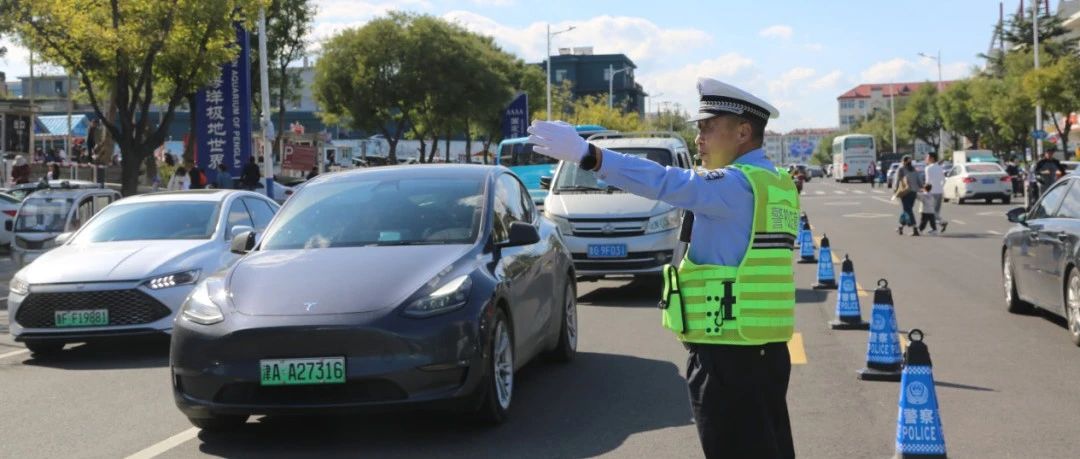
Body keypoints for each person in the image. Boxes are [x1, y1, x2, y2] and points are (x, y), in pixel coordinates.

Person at [527, 77, 798, 459]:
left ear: (742, 132)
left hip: (728, 356)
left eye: (708, 127)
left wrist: (591, 155)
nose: (699, 139)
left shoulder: (733, 186)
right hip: (764, 351)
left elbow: (664, 181)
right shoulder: (777, 183)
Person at [894, 155, 922, 236]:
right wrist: (921, 187)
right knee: (907, 210)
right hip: (914, 192)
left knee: (908, 210)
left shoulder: (901, 169)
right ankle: (900, 227)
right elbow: (919, 180)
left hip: (905, 192)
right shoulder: (914, 169)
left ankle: (915, 228)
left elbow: (897, 180)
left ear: (903, 161)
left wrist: (895, 191)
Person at [922, 153, 948, 233]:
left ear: (932, 158)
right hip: (940, 192)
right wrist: (940, 187)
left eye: (927, 157)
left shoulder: (928, 168)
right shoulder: (940, 167)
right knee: (936, 211)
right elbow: (944, 180)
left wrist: (925, 191)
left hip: (931, 192)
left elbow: (927, 181)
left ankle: (941, 222)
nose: (926, 159)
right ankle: (936, 227)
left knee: (930, 211)